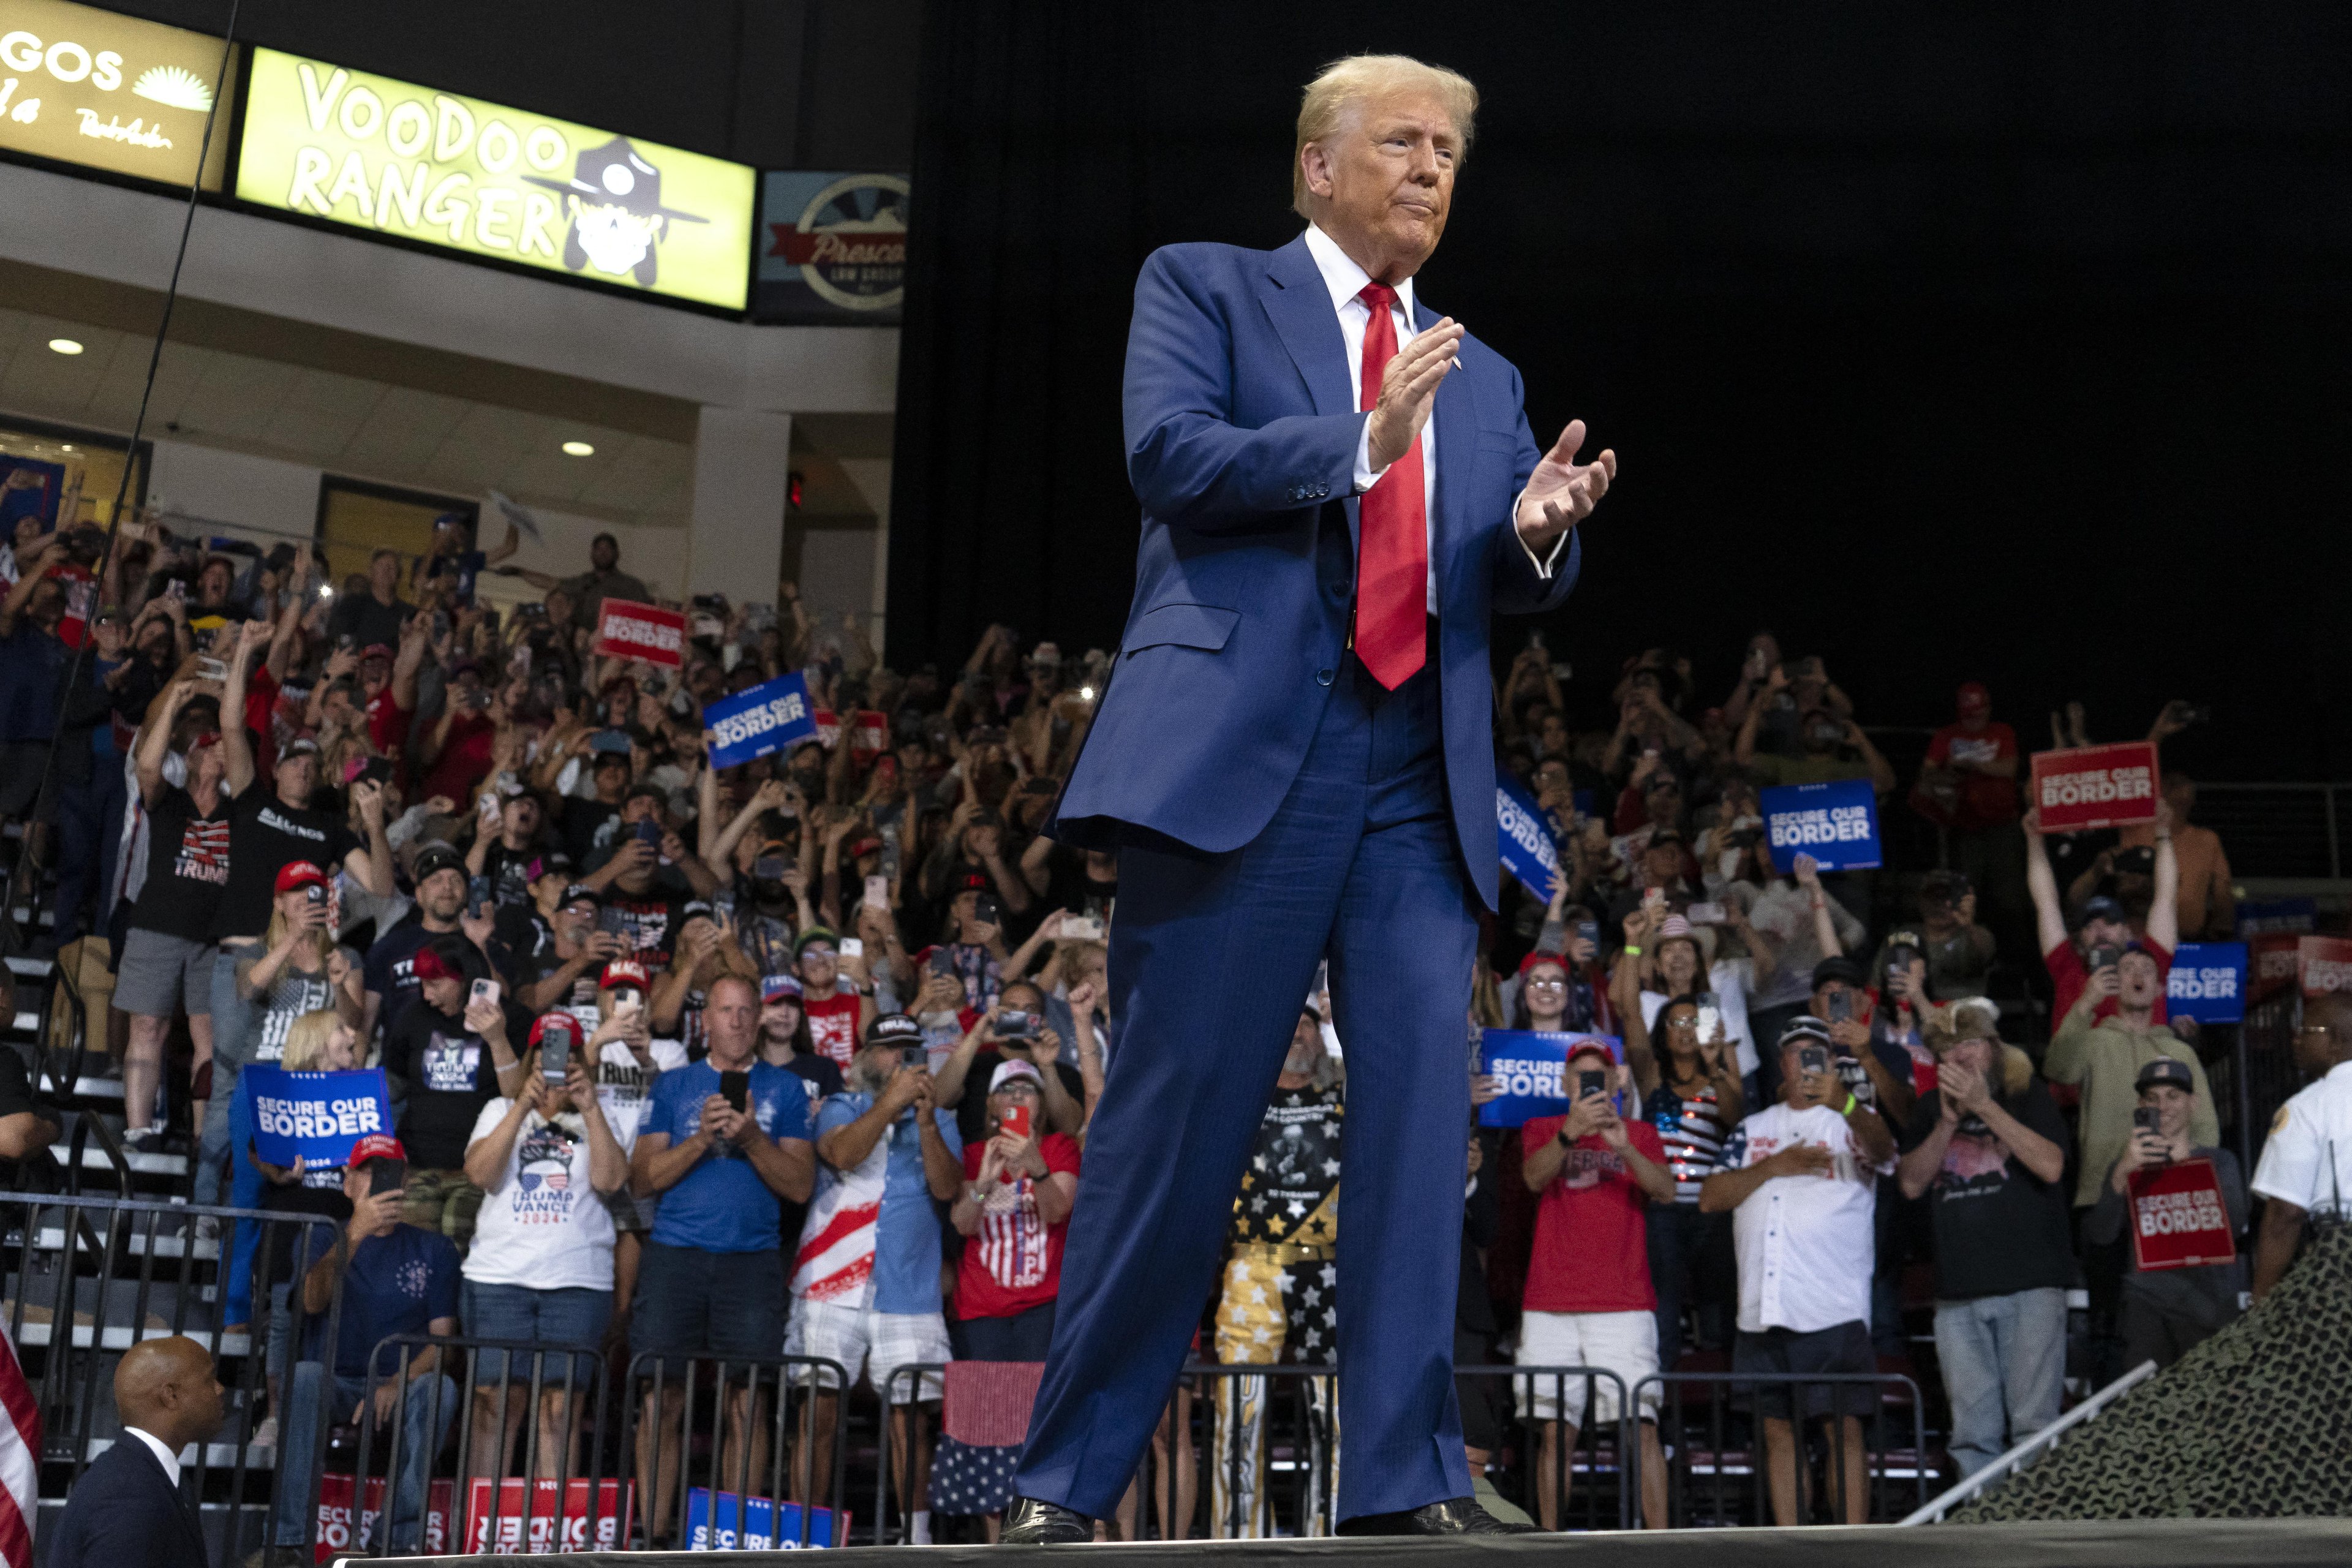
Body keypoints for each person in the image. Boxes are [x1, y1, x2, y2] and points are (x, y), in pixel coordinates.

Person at [1011, 51, 1616, 1539]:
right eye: (1399, 141)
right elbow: (1169, 457)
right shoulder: (1206, 288)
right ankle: (1064, 1480)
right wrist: (1359, 442)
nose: (1426, 169)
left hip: (1418, 779)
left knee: (1420, 1128)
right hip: (1244, 769)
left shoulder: (1485, 376)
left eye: (1446, 153)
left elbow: (1493, 562)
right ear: (1314, 166)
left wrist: (1533, 534)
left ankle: (1405, 1478)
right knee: (1175, 1132)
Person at [204, 620, 391, 1208]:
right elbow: (232, 725)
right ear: (278, 767)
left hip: (303, 961)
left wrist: (377, 825)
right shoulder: (252, 801)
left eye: (313, 763)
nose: (304, 767)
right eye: (294, 760)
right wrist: (245, 657)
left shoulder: (330, 829)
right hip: (245, 953)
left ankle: (267, 1202)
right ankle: (209, 1206)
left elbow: (381, 886)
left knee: (286, 1081)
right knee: (229, 1079)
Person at [628, 973, 816, 1542]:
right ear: (704, 1020)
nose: (735, 1021)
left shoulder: (787, 1091)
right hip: (675, 1258)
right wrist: (702, 1140)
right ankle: (654, 1539)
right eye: (724, 1010)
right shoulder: (673, 1085)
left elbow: (802, 1186)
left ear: (759, 1018)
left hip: (752, 1263)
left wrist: (755, 1138)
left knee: (748, 1403)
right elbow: (641, 1180)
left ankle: (728, 1542)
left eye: (745, 1010)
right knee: (662, 1398)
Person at [1700, 1018, 1897, 1527]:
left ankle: (1851, 1546)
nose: (1806, 1060)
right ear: (1782, 1066)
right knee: (1776, 1430)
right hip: (1762, 1306)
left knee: (1842, 1428)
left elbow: (1885, 1151)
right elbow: (1709, 1197)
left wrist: (1848, 1103)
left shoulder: (1850, 1120)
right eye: (1796, 1052)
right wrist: (1773, 1166)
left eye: (1817, 1053)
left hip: (1830, 1304)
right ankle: (1791, 1545)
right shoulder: (1754, 1127)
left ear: (1832, 1065)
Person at [789, 1016, 962, 1543]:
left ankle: (916, 1539)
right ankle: (806, 1537)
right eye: (890, 1050)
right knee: (818, 1415)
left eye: (911, 1051)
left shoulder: (943, 1117)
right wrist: (891, 1103)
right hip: (831, 1281)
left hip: (906, 1286)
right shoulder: (844, 1105)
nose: (903, 1061)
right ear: (867, 1056)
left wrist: (927, 1122)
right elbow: (841, 1153)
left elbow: (950, 1186)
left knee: (909, 1420)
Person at [1894, 1001, 2073, 1477]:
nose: (1960, 1058)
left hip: (2031, 1284)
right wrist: (1949, 1122)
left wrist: (1985, 1108)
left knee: (2035, 1428)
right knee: (1972, 1436)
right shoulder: (1931, 1109)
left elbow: (2052, 1166)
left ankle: (2037, 1540)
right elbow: (1911, 1183)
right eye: (1948, 1051)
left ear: (1992, 1049)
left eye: (1969, 1045)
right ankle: (1983, 1544)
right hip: (1958, 1292)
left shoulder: (2025, 1094)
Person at [461, 1012, 631, 1480]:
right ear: (533, 1058)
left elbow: (611, 1180)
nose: (555, 1062)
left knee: (561, 1411)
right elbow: (481, 1174)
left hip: (576, 1282)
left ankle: (549, 1543)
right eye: (546, 1051)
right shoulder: (499, 1111)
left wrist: (591, 1108)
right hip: (499, 1279)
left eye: (567, 1052)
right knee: (495, 1404)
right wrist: (522, 1107)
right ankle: (482, 1539)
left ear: (580, 1060)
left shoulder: (603, 1115)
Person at [272, 1136, 461, 1556]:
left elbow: (442, 1341)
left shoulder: (434, 1248)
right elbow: (310, 1301)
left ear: (405, 1180)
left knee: (440, 1388)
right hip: (336, 1379)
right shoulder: (321, 1237)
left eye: (388, 1171)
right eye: (368, 1171)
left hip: (399, 1383)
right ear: (348, 1181)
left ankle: (396, 1537)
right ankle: (289, 1539)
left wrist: (396, 1381)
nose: (377, 1180)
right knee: (304, 1377)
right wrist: (355, 1232)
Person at [1517, 1041, 1675, 1530]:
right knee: (1554, 1432)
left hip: (1623, 1302)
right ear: (1566, 1087)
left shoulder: (1641, 1133)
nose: (1591, 1087)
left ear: (1614, 1084)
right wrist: (1570, 1134)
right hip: (1551, 1302)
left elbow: (1666, 1191)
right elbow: (1532, 1178)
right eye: (1581, 1079)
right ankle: (1548, 1544)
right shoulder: (1542, 1130)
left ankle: (1662, 1546)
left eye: (1599, 1078)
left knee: (1640, 1428)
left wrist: (1622, 1142)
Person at [1204, 1015, 1344, 1538]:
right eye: (1287, 1027)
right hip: (1253, 1266)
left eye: (1308, 1028)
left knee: (1335, 1414)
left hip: (1328, 1265)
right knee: (1240, 1407)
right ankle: (1238, 1538)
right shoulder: (1238, 1108)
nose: (1298, 1036)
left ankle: (1330, 1535)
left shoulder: (1345, 1104)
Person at [115, 684, 231, 1153]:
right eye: (209, 744)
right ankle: (139, 1129)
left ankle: (205, 1138)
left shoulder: (236, 810)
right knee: (148, 1028)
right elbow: (147, 762)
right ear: (194, 756)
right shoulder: (170, 800)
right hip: (156, 926)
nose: (217, 749)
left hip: (212, 938)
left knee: (211, 1041)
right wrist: (176, 703)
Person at [2086, 1056, 2247, 1369]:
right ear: (2140, 1106)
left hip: (2209, 1302)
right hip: (2145, 1306)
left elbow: (2235, 1225)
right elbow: (2101, 1235)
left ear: (2193, 1103)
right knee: (2148, 1409)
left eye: (2174, 1096)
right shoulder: (2126, 1168)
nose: (2164, 1106)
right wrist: (2121, 1175)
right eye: (2153, 1098)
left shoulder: (2220, 1162)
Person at [2046, 944, 2219, 1212]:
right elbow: (2058, 1069)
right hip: (2102, 1192)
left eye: (2147, 971)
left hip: (2171, 1191)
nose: (2138, 975)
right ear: (2116, 983)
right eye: (2127, 969)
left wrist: (2191, 1174)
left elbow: (2205, 1124)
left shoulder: (2180, 1051)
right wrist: (2087, 1001)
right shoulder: (2093, 1041)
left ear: (2159, 988)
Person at [377, 938, 530, 1240]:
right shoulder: (413, 1016)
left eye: (434, 984)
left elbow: (520, 1099)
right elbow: (390, 1089)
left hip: (477, 1168)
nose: (427, 994)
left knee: (458, 1249)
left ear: (465, 979)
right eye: (422, 984)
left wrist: (497, 1039)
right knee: (414, 1254)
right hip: (419, 1164)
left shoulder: (516, 1020)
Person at [1622, 990, 1742, 1371]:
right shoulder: (1653, 1075)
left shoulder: (1721, 1072)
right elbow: (1628, 1012)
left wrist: (1717, 1066)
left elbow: (1736, 1117)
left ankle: (1725, 1418)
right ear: (1665, 1031)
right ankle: (1660, 1407)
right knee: (1664, 1308)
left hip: (1712, 1210)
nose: (1686, 1030)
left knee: (1719, 1312)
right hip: (1663, 1208)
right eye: (1676, 1022)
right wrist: (1635, 948)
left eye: (1695, 1022)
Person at [48, 1337, 226, 1568]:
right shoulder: (128, 1493)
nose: (220, 1389)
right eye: (209, 1379)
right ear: (171, 1396)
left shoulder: (142, 1476)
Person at [2251, 990, 2352, 1302]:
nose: (2296, 1041)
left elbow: (2286, 1212)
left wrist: (2261, 1300)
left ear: (2335, 1039)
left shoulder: (2308, 1107)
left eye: (2306, 1032)